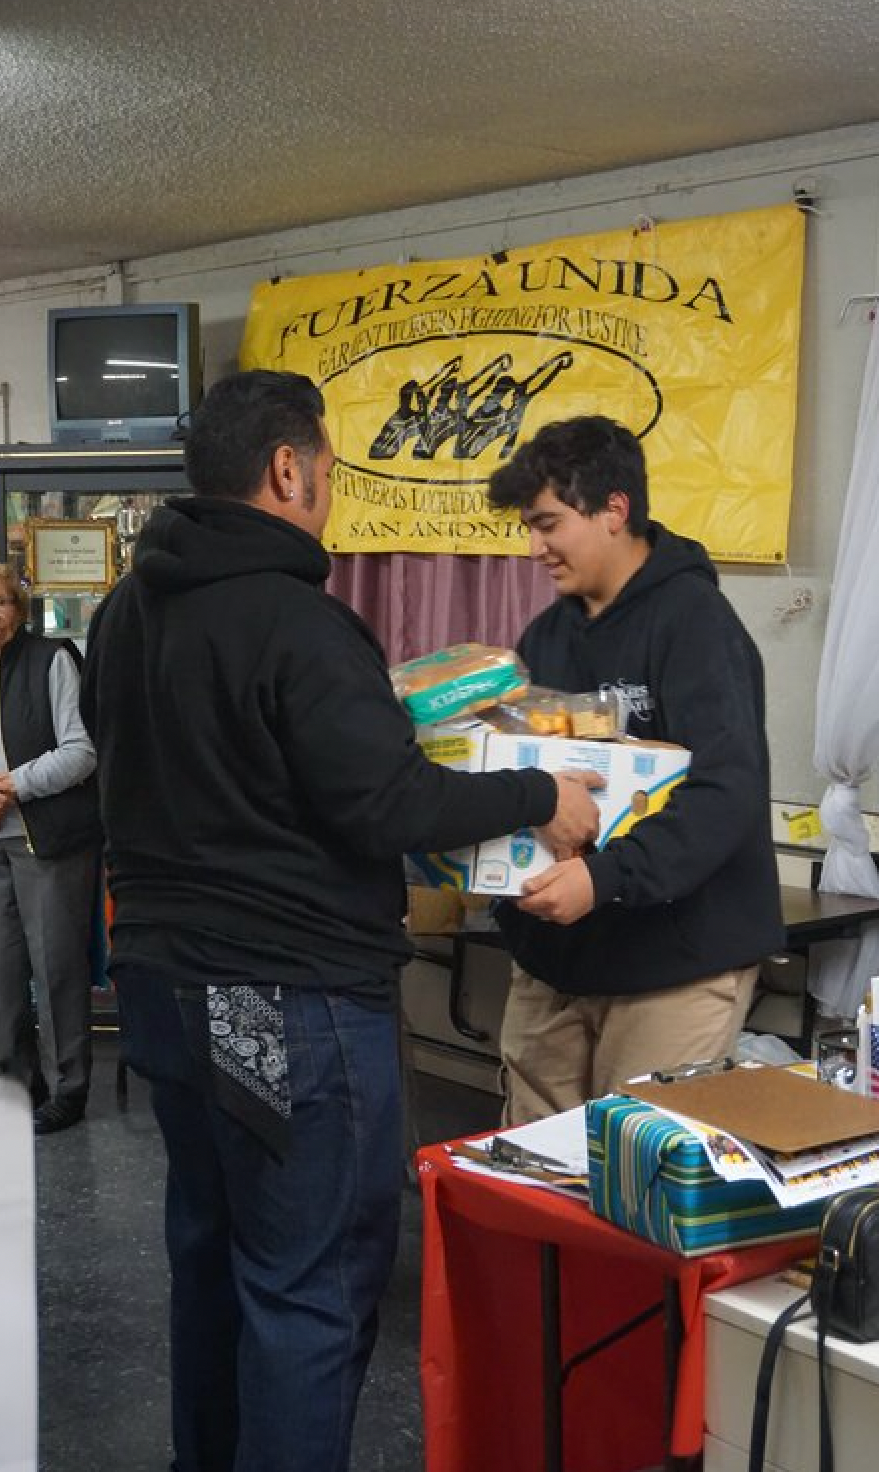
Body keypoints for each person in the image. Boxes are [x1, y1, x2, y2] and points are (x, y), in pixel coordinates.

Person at [78, 369, 599, 1472]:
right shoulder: (299, 623)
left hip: (161, 984)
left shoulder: (126, 610)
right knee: (309, 1282)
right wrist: (534, 794)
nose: (329, 484)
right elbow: (388, 806)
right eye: (327, 464)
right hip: (283, 999)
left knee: (213, 1257)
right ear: (288, 469)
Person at [487, 414, 784, 1124]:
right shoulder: (545, 635)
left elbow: (728, 790)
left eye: (549, 524)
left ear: (614, 510)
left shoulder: (694, 621)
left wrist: (605, 878)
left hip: (673, 967)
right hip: (554, 962)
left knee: (638, 1168)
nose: (534, 548)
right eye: (528, 528)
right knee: (533, 1165)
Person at [0, 562, 100, 1134]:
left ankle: (68, 1089)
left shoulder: (51, 659)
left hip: (46, 838)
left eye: (0, 603)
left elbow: (82, 753)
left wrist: (13, 785)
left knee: (55, 969)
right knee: (4, 974)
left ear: (17, 611)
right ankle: (18, 1084)